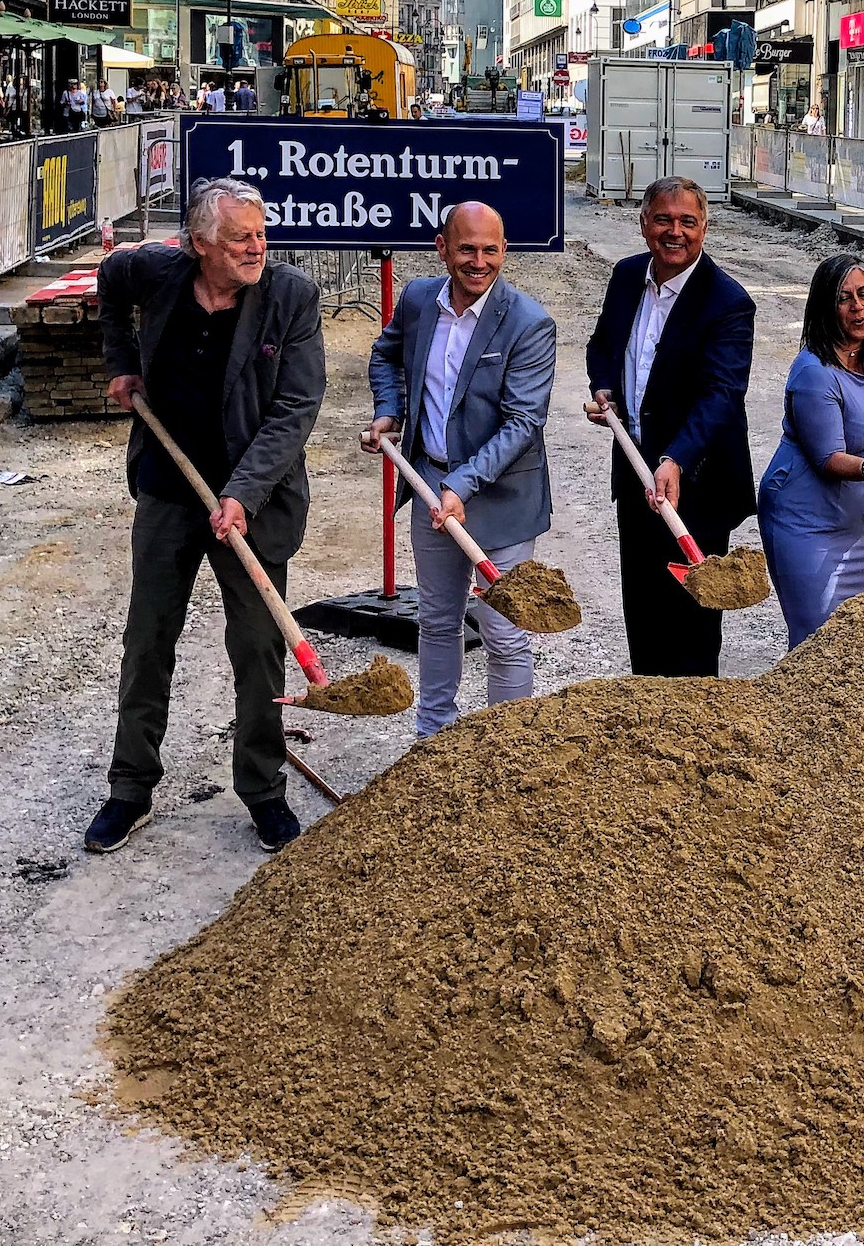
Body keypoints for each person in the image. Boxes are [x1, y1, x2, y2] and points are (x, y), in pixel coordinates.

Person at [88, 177, 326, 857]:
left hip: (252, 501)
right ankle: (130, 788)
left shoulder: (291, 298)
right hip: (169, 488)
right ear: (198, 245)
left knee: (257, 647)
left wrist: (243, 493)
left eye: (260, 232)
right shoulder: (158, 272)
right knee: (147, 639)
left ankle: (263, 790)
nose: (256, 247)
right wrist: (122, 361)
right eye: (238, 238)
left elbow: (295, 410)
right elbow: (109, 278)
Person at [365, 201, 556, 736]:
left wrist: (461, 486)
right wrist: (389, 410)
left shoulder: (529, 323)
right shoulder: (420, 300)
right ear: (442, 247)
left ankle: (503, 746)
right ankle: (434, 740)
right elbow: (385, 354)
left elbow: (522, 424)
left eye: (490, 250)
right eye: (466, 249)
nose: (479, 262)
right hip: (431, 489)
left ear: (504, 251)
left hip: (500, 501)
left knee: (505, 632)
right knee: (438, 622)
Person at [584, 176, 756, 676]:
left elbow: (722, 395)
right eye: (663, 219)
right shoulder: (625, 277)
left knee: (693, 625)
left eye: (687, 221)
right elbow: (603, 347)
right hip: (637, 475)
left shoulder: (728, 303)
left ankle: (694, 730)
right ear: (644, 225)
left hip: (696, 487)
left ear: (705, 228)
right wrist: (604, 387)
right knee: (643, 613)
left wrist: (677, 457)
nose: (674, 231)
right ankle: (648, 725)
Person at [758, 257, 864, 647]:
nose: (858, 307)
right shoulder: (814, 373)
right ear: (825, 308)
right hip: (803, 519)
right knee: (816, 638)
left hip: (853, 521)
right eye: (844, 299)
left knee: (850, 637)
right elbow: (828, 460)